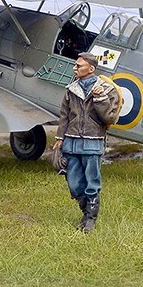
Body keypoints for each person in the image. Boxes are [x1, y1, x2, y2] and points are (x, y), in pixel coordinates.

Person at [53, 52, 121, 233]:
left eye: (79, 66)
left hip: (93, 142)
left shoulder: (107, 90)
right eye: (75, 65)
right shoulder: (71, 89)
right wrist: (60, 138)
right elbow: (64, 115)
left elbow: (110, 117)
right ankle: (85, 211)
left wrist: (100, 99)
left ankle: (90, 217)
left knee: (92, 180)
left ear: (91, 69)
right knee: (74, 182)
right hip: (72, 141)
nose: (75, 68)